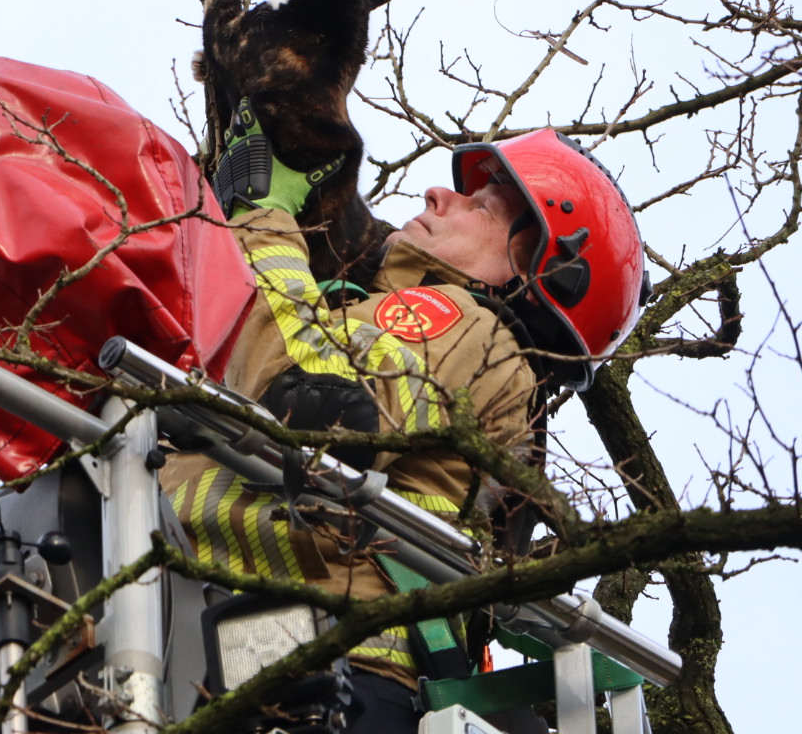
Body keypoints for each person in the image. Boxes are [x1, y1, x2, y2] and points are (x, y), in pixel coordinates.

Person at [161, 128, 647, 733]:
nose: (439, 194)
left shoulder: (469, 326)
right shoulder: (381, 322)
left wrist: (262, 218)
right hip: (239, 651)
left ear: (537, 265)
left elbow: (314, 408)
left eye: (482, 205)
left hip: (309, 673)